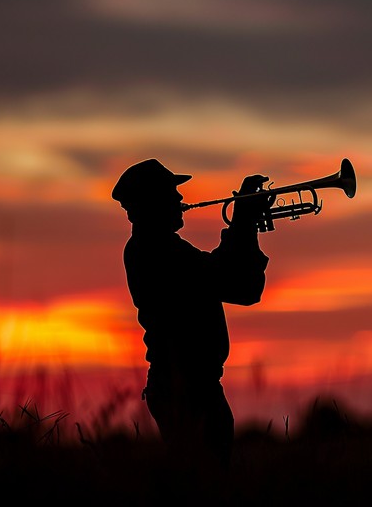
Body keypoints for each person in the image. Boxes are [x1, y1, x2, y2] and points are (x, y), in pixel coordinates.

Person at [111, 158, 269, 489]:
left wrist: (245, 225)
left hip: (192, 386)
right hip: (186, 390)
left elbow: (244, 286)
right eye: (172, 194)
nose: (181, 201)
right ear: (152, 203)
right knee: (205, 485)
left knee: (205, 481)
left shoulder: (161, 248)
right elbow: (235, 284)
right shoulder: (156, 251)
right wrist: (243, 223)